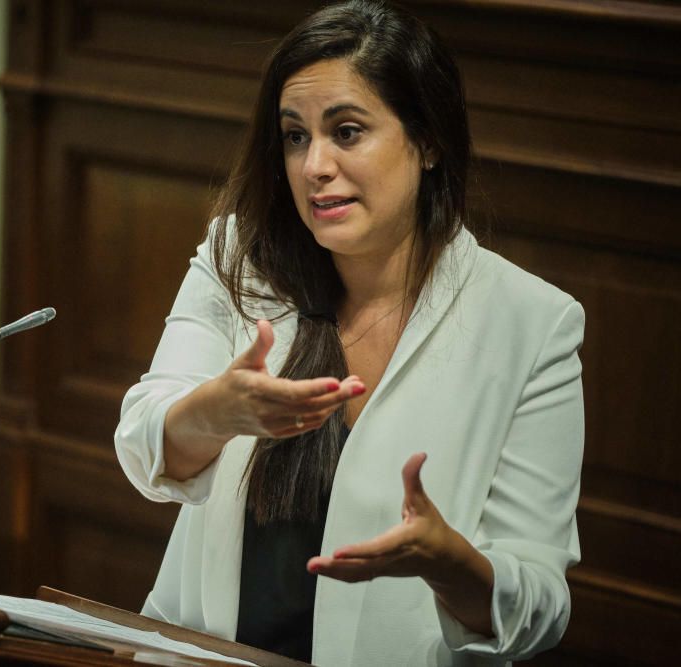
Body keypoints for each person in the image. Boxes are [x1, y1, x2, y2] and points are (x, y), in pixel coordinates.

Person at [114, 1, 585, 665]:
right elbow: (143, 444)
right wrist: (214, 411)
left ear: (426, 142)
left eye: (347, 131)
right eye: (296, 136)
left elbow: (541, 607)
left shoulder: (533, 324)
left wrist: (449, 563)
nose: (313, 166)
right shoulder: (239, 257)